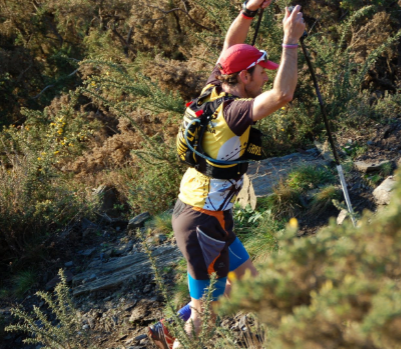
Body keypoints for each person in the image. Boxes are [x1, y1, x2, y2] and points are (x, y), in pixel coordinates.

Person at [148, 1, 306, 348]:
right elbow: (282, 94)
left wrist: (249, 10)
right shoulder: (234, 113)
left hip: (208, 215)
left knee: (249, 285)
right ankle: (181, 335)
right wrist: (290, 39)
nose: (266, 75)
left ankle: (171, 326)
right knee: (208, 310)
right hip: (202, 223)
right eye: (261, 71)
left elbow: (229, 47)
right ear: (244, 76)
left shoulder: (214, 88)